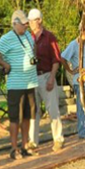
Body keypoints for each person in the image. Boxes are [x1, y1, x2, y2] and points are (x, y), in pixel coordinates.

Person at [0, 10, 38, 159]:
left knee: (28, 116)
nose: (26, 26)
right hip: (16, 84)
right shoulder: (8, 38)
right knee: (15, 117)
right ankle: (14, 148)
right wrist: (5, 64)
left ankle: (24, 146)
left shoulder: (29, 35)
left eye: (27, 23)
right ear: (15, 23)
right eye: (23, 24)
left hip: (30, 82)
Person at [27, 8, 65, 152]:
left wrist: (51, 77)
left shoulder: (49, 37)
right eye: (30, 21)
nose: (31, 23)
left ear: (40, 20)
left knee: (52, 109)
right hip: (32, 77)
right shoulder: (28, 37)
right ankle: (32, 141)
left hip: (46, 74)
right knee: (33, 111)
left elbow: (56, 59)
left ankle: (58, 138)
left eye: (33, 20)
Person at [60, 26, 85, 140]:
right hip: (80, 81)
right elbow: (63, 58)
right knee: (82, 108)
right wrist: (71, 70)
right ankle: (83, 133)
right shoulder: (74, 44)